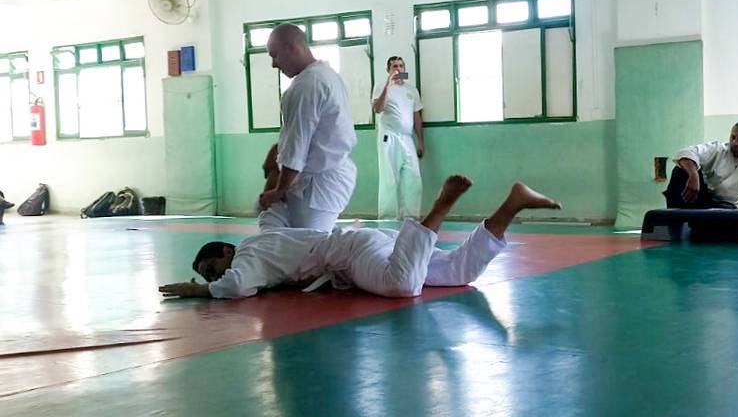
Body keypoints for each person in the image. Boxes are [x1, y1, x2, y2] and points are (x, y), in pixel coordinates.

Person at [159, 176, 561, 300]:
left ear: (228, 251)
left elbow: (236, 286)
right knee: (459, 271)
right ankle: (512, 203)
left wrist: (193, 291)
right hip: (369, 243)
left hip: (351, 254)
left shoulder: (247, 260)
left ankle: (439, 208)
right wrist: (270, 183)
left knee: (401, 285)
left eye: (213, 268)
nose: (215, 277)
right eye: (209, 275)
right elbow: (270, 212)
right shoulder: (264, 239)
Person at [257, 23, 357, 232]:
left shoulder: (306, 85)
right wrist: (278, 148)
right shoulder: (326, 75)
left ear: (292, 47)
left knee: (307, 251)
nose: (274, 65)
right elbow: (314, 132)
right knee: (300, 243)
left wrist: (279, 190)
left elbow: (298, 144)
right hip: (327, 180)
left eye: (274, 55)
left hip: (318, 186)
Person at [663, 122, 738, 209]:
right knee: (680, 170)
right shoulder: (717, 149)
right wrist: (693, 175)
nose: (735, 142)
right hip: (706, 201)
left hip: (734, 209)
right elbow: (686, 152)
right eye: (733, 137)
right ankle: (674, 221)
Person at [372, 56, 425, 220]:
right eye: (394, 66)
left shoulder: (411, 90)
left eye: (401, 66)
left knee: (413, 177)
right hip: (389, 137)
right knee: (389, 179)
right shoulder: (381, 86)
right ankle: (387, 219)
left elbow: (416, 117)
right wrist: (388, 84)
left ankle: (411, 217)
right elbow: (377, 109)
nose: (398, 69)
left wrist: (421, 141)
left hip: (407, 138)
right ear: (388, 70)